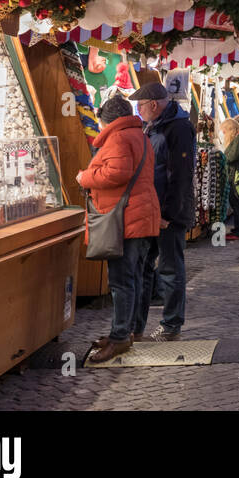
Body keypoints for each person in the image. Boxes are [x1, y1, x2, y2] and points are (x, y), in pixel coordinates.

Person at [79, 94, 160, 363]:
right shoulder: (139, 135)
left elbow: (116, 172)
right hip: (141, 217)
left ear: (108, 120)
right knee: (135, 278)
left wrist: (84, 177)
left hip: (126, 220)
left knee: (121, 281)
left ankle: (120, 337)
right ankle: (131, 329)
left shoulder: (119, 138)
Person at [129, 81, 197, 342]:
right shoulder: (154, 126)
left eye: (141, 105)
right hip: (150, 209)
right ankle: (137, 328)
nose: (139, 110)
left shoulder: (177, 128)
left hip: (169, 214)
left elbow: (181, 175)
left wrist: (168, 213)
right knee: (144, 267)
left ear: (154, 105)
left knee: (169, 269)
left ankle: (171, 326)